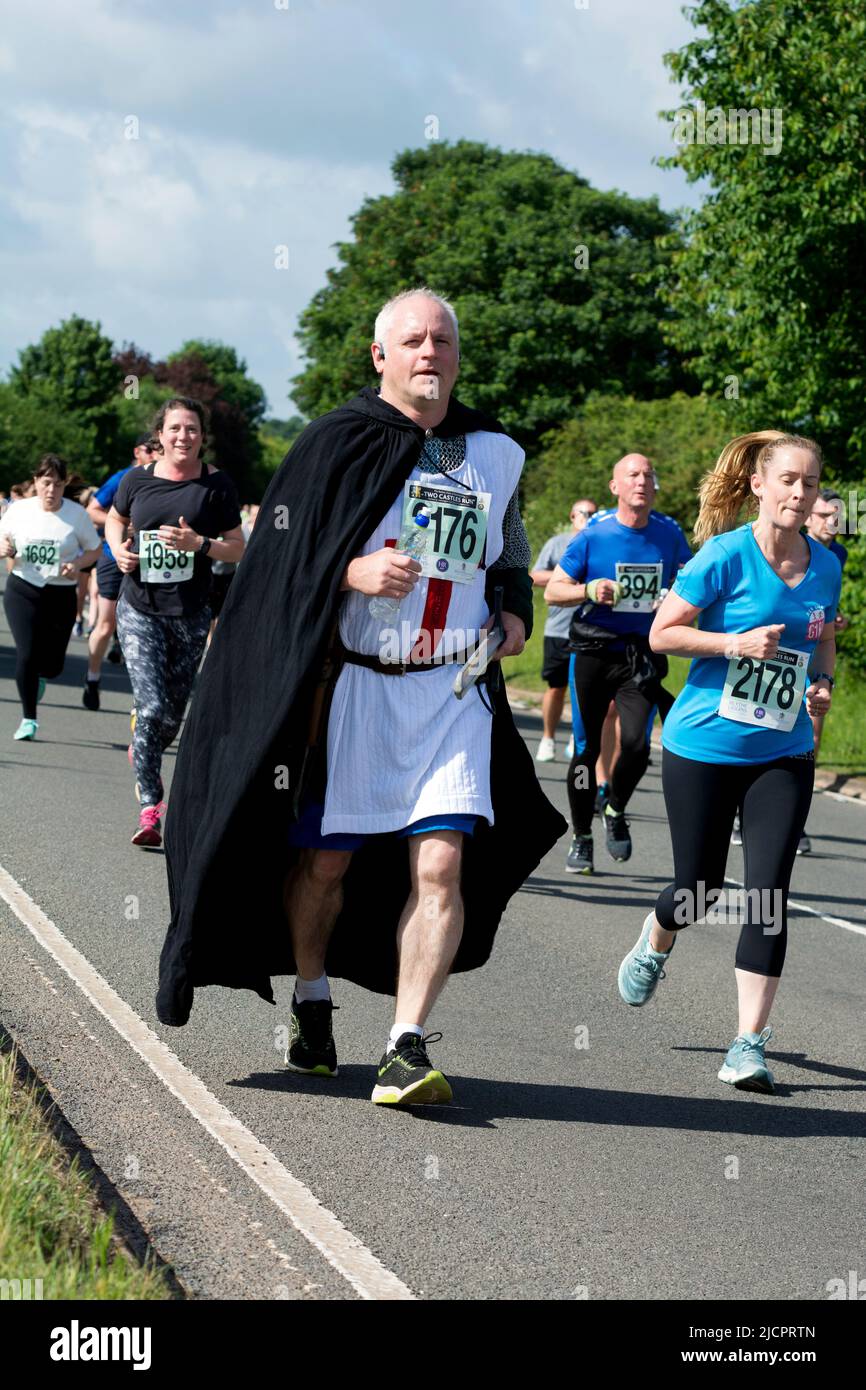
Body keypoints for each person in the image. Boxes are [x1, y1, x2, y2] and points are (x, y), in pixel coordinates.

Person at [154, 288, 566, 1106]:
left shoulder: (496, 451)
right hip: (353, 690)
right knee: (326, 866)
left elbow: (506, 551)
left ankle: (405, 1045)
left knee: (442, 866)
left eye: (442, 340)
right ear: (380, 356)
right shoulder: (337, 442)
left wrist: (516, 609)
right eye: (412, 340)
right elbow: (276, 557)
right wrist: (351, 571)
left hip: (453, 690)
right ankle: (312, 999)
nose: (429, 353)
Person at [617, 431, 840, 1094]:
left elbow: (821, 637)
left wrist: (821, 681)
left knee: (768, 894)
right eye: (789, 481)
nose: (800, 494)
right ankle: (658, 936)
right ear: (760, 487)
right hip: (704, 746)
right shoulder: (723, 555)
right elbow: (662, 633)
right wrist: (733, 642)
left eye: (810, 483)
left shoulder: (826, 564)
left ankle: (748, 1044)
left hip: (784, 749)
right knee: (698, 889)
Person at [105, 400, 245, 847]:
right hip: (139, 607)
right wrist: (118, 551)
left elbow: (238, 547)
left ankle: (143, 741)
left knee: (171, 717)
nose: (183, 436)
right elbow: (114, 519)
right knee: (150, 707)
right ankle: (150, 805)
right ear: (160, 436)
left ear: (202, 436)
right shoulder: (137, 480)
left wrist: (199, 543)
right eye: (175, 429)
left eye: (192, 429)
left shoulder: (217, 486)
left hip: (190, 613)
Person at [544, 456, 692, 874]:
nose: (643, 481)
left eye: (649, 474)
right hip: (593, 651)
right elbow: (554, 591)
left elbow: (689, 581)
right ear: (615, 487)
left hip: (641, 655)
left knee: (638, 746)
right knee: (587, 751)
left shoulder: (668, 533)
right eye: (633, 475)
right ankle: (581, 835)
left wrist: (674, 599)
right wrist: (589, 588)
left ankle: (614, 807)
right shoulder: (595, 534)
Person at [0, 455, 101, 739]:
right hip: (23, 588)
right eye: (46, 483)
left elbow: (94, 549)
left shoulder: (76, 515)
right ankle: (28, 719)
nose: (51, 491)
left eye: (57, 485)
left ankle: (42, 676)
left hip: (60, 593)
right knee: (27, 654)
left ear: (64, 484)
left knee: (53, 664)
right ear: (36, 482)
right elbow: (0, 539)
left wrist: (78, 564)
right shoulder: (19, 510)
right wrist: (4, 546)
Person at [81, 434, 155, 709]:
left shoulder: (169, 479)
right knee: (106, 623)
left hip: (149, 562)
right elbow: (94, 511)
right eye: (150, 450)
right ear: (138, 452)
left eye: (158, 450)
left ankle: (144, 700)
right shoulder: (123, 477)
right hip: (114, 556)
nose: (154, 454)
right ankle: (92, 676)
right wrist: (124, 528)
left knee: (148, 629)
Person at [531, 500, 597, 761]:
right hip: (559, 629)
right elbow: (534, 577)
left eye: (594, 513)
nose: (589, 517)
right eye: (585, 513)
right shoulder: (558, 543)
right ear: (572, 516)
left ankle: (577, 736)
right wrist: (567, 578)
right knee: (556, 686)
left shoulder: (600, 542)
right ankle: (548, 738)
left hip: (591, 630)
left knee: (586, 689)